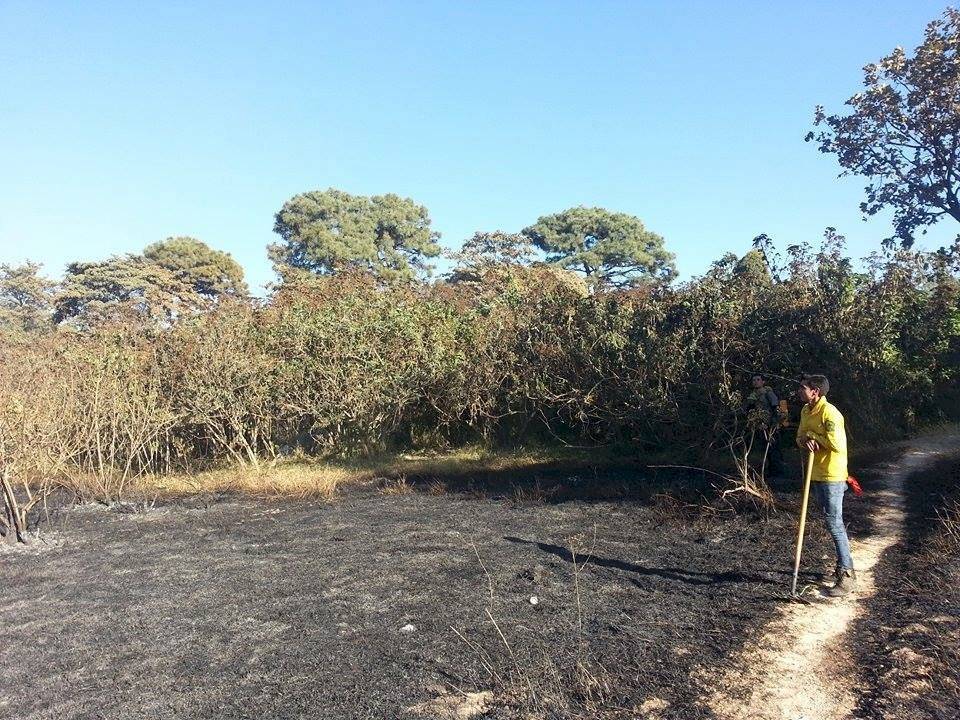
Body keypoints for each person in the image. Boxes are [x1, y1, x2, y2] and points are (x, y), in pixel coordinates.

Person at [796, 374, 855, 597]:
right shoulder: (805, 411)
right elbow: (799, 436)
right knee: (830, 520)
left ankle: (847, 575)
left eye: (803, 388)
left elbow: (836, 444)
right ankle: (844, 565)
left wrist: (813, 435)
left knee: (834, 523)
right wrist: (805, 439)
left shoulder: (831, 413)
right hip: (816, 473)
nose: (799, 391)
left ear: (815, 391)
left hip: (833, 474)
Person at [746, 373, 784, 476]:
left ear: (763, 382)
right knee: (765, 450)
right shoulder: (752, 395)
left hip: (771, 426)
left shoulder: (768, 393)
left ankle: (778, 472)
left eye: (758, 380)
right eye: (754, 380)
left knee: (774, 449)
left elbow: (775, 408)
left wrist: (772, 424)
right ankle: (770, 471)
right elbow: (750, 411)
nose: (756, 382)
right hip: (760, 426)